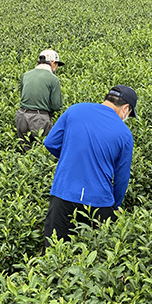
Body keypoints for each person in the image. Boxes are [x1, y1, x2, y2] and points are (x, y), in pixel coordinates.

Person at [42, 85, 137, 248]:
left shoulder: (75, 110)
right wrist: (116, 205)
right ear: (126, 108)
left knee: (53, 252)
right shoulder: (125, 134)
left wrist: (71, 157)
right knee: (97, 257)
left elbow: (50, 142)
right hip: (100, 203)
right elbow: (121, 178)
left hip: (64, 194)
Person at [15, 49, 63, 151]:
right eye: (57, 64)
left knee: (25, 151)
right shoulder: (53, 79)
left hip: (21, 116)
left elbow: (23, 95)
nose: (57, 67)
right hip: (39, 119)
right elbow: (56, 106)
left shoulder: (26, 75)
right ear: (52, 62)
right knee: (42, 151)